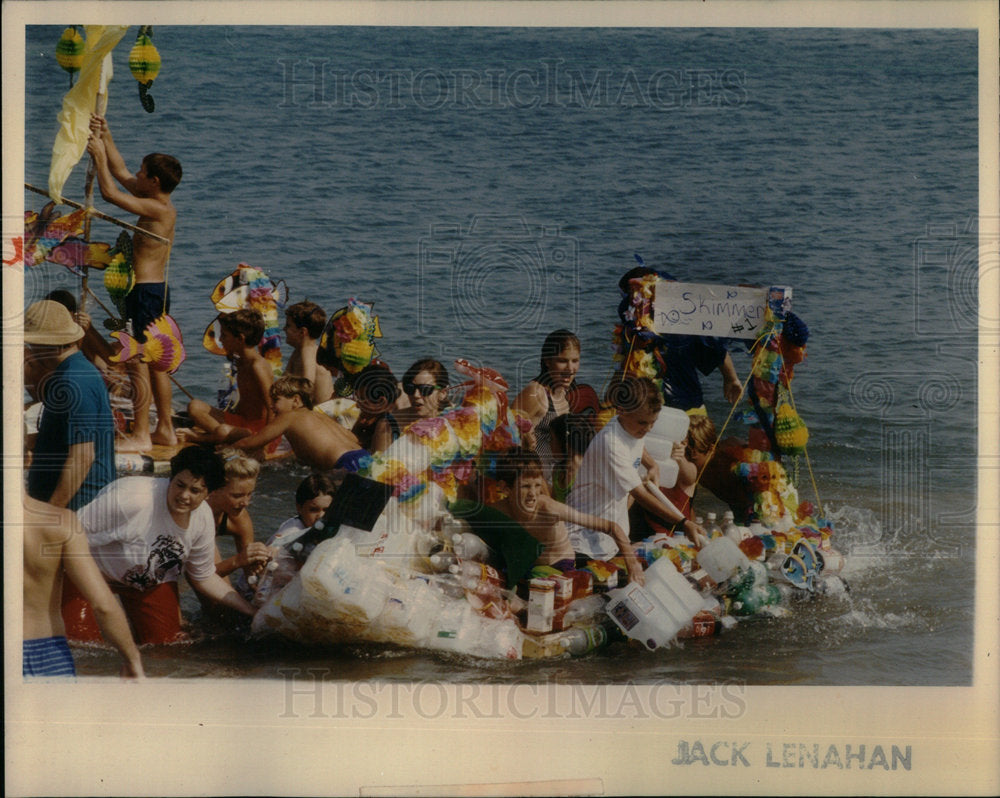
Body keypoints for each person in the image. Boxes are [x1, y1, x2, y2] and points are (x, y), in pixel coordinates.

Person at [62, 445, 255, 645]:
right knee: (81, 644)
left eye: (195, 490)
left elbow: (204, 576)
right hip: (89, 574)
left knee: (168, 647)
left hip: (147, 582)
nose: (184, 495)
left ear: (209, 493)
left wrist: (250, 610)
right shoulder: (132, 499)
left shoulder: (203, 518)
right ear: (171, 478)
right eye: (180, 485)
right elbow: (67, 535)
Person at [87, 113, 181, 452]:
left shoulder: (157, 210)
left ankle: (142, 433)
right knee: (156, 361)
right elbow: (122, 172)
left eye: (143, 173)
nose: (136, 175)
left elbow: (110, 193)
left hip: (145, 293)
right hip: (153, 292)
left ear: (154, 182)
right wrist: (106, 134)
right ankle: (165, 430)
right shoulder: (155, 201)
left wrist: (97, 155)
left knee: (138, 359)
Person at [566, 375, 706, 559]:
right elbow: (640, 495)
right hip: (584, 538)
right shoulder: (611, 443)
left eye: (652, 423)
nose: (648, 429)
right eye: (642, 423)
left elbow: (637, 443)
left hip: (611, 538)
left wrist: (652, 464)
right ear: (621, 411)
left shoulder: (629, 428)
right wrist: (682, 522)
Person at [22, 493, 144, 678]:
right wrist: (132, 658)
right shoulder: (62, 523)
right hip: (46, 652)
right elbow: (103, 606)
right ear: (29, 462)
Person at [491, 449, 644, 584]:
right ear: (505, 488)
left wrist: (633, 566)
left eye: (537, 485)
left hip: (559, 567)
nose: (533, 494)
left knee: (535, 581)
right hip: (528, 567)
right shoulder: (497, 511)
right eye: (525, 486)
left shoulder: (549, 508)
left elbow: (612, 527)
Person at [24, 300, 115, 511]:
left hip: (79, 506)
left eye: (33, 345)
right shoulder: (71, 372)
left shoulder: (74, 381)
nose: (31, 352)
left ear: (49, 345)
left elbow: (83, 456)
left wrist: (52, 513)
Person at [617, 265, 743, 415]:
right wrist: (731, 378)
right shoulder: (633, 327)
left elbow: (715, 348)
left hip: (675, 405)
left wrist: (731, 379)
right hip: (675, 404)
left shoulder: (633, 326)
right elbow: (715, 348)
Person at [230, 376, 367, 472]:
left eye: (276, 400)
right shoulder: (319, 416)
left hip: (347, 465)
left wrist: (224, 452)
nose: (271, 406)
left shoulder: (289, 416)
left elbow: (250, 443)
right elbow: (354, 439)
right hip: (366, 458)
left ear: (296, 400)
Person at [512, 330, 599, 479]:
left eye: (575, 360)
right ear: (547, 361)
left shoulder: (570, 393)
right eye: (563, 361)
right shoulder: (536, 393)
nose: (570, 369)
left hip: (559, 479)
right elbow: (505, 435)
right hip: (534, 480)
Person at [180, 309, 274, 445]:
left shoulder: (257, 366)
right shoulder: (241, 359)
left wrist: (265, 442)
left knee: (223, 431)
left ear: (240, 339)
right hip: (240, 421)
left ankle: (200, 438)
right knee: (194, 406)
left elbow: (272, 406)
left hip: (256, 430)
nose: (221, 340)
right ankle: (223, 436)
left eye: (224, 336)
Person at [207, 452, 271, 581]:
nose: (246, 503)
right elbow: (201, 578)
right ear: (214, 489)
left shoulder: (239, 517)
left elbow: (249, 571)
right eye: (237, 496)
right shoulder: (196, 514)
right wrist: (238, 560)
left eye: (249, 494)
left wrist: (258, 565)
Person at [283, 300, 334, 406]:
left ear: (302, 332)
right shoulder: (299, 350)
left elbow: (307, 386)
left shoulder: (309, 352)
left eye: (288, 326)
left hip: (320, 414)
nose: (283, 329)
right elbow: (284, 380)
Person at [351, 361, 402, 452]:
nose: (357, 406)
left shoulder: (384, 426)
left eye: (362, 399)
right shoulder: (377, 420)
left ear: (380, 402)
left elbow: (379, 464)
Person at [548, 412, 595, 502]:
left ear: (566, 444)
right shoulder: (557, 469)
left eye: (552, 439)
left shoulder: (586, 471)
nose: (549, 443)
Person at [392, 358, 451, 431]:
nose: (416, 395)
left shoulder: (457, 422)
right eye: (410, 388)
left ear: (442, 393)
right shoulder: (393, 422)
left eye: (425, 389)